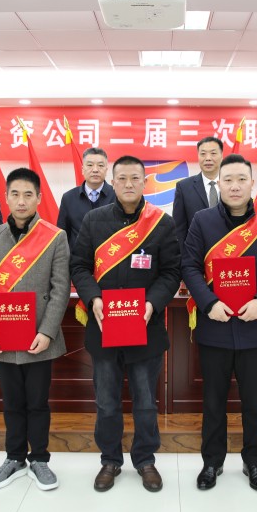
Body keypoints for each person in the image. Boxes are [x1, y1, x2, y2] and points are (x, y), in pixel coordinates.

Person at [70, 155, 180, 493]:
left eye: (135, 178)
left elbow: (171, 272)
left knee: (145, 401)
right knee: (106, 401)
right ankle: (110, 460)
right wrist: (94, 299)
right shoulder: (94, 220)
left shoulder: (161, 223)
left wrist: (151, 304)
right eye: (122, 178)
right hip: (104, 326)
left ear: (145, 182)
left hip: (145, 328)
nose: (129, 184)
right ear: (112, 182)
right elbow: (79, 266)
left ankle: (145, 459)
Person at [180, 154, 257, 492]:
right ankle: (212, 462)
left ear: (252, 183)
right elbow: (189, 266)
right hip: (214, 326)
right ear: (219, 183)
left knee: (254, 403)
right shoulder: (202, 220)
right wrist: (209, 303)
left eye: (242, 179)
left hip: (254, 328)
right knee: (213, 402)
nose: (235, 186)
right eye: (228, 180)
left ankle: (254, 462)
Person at [0, 168, 70, 491]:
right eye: (15, 194)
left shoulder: (55, 237)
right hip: (3, 337)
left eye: (28, 195)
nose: (21, 201)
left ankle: (39, 458)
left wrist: (47, 331)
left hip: (39, 337)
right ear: (5, 197)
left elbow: (60, 289)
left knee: (38, 402)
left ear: (39, 198)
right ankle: (14, 457)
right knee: (12, 402)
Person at [57, 147, 115, 250]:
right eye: (90, 165)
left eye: (100, 165)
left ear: (106, 170)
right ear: (82, 169)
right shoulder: (68, 198)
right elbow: (62, 236)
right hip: (78, 258)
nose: (95, 170)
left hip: (110, 255)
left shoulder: (117, 196)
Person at [172, 136, 223, 251]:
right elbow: (179, 229)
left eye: (213, 153)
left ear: (221, 156)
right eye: (203, 154)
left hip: (227, 252)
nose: (208, 158)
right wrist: (183, 257)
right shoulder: (184, 187)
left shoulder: (230, 185)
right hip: (195, 254)